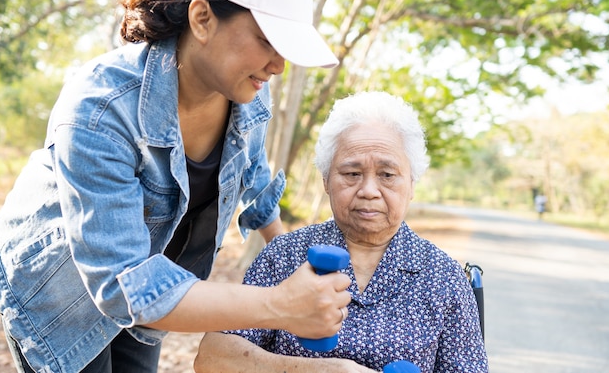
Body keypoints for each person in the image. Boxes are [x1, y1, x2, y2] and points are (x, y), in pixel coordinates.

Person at [0, 0, 352, 372]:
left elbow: (253, 176)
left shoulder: (248, 91)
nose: (278, 66)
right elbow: (124, 287)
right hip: (60, 289)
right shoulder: (101, 108)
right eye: (267, 41)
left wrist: (292, 265)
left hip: (157, 285)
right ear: (202, 18)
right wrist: (280, 306)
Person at [193, 91, 489, 373]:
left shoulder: (444, 278)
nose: (369, 191)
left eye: (387, 175)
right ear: (326, 181)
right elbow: (213, 357)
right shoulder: (284, 256)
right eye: (352, 174)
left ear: (411, 184)